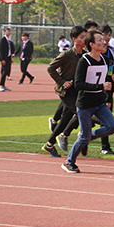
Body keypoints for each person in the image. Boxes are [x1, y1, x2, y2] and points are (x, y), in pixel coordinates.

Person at [61, 30, 114, 173]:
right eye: (100, 40)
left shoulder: (105, 59)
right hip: (85, 104)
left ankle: (85, 137)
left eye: (104, 39)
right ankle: (69, 162)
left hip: (100, 102)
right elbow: (79, 84)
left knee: (112, 127)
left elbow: (107, 79)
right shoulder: (84, 61)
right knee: (85, 136)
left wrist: (110, 86)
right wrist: (101, 86)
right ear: (91, 44)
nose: (104, 42)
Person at [43, 25, 86, 158]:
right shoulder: (67, 54)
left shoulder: (85, 55)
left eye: (85, 37)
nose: (84, 39)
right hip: (66, 91)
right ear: (74, 39)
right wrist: (62, 82)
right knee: (82, 113)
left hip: (77, 91)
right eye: (82, 37)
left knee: (65, 119)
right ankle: (71, 137)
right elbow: (50, 68)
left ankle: (49, 145)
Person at [99, 24, 114, 155]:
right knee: (88, 114)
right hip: (95, 87)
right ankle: (67, 132)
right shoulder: (95, 51)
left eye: (109, 35)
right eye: (104, 34)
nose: (107, 37)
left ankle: (105, 146)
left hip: (109, 87)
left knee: (107, 115)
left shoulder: (112, 51)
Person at [0, 27, 14, 92]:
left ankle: (3, 85)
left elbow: (9, 50)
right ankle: (0, 85)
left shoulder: (9, 41)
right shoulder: (3, 40)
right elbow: (1, 50)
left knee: (6, 72)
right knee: (4, 71)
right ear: (4, 32)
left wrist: (10, 58)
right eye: (8, 31)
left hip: (8, 58)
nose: (9, 32)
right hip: (4, 58)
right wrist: (3, 59)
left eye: (10, 31)